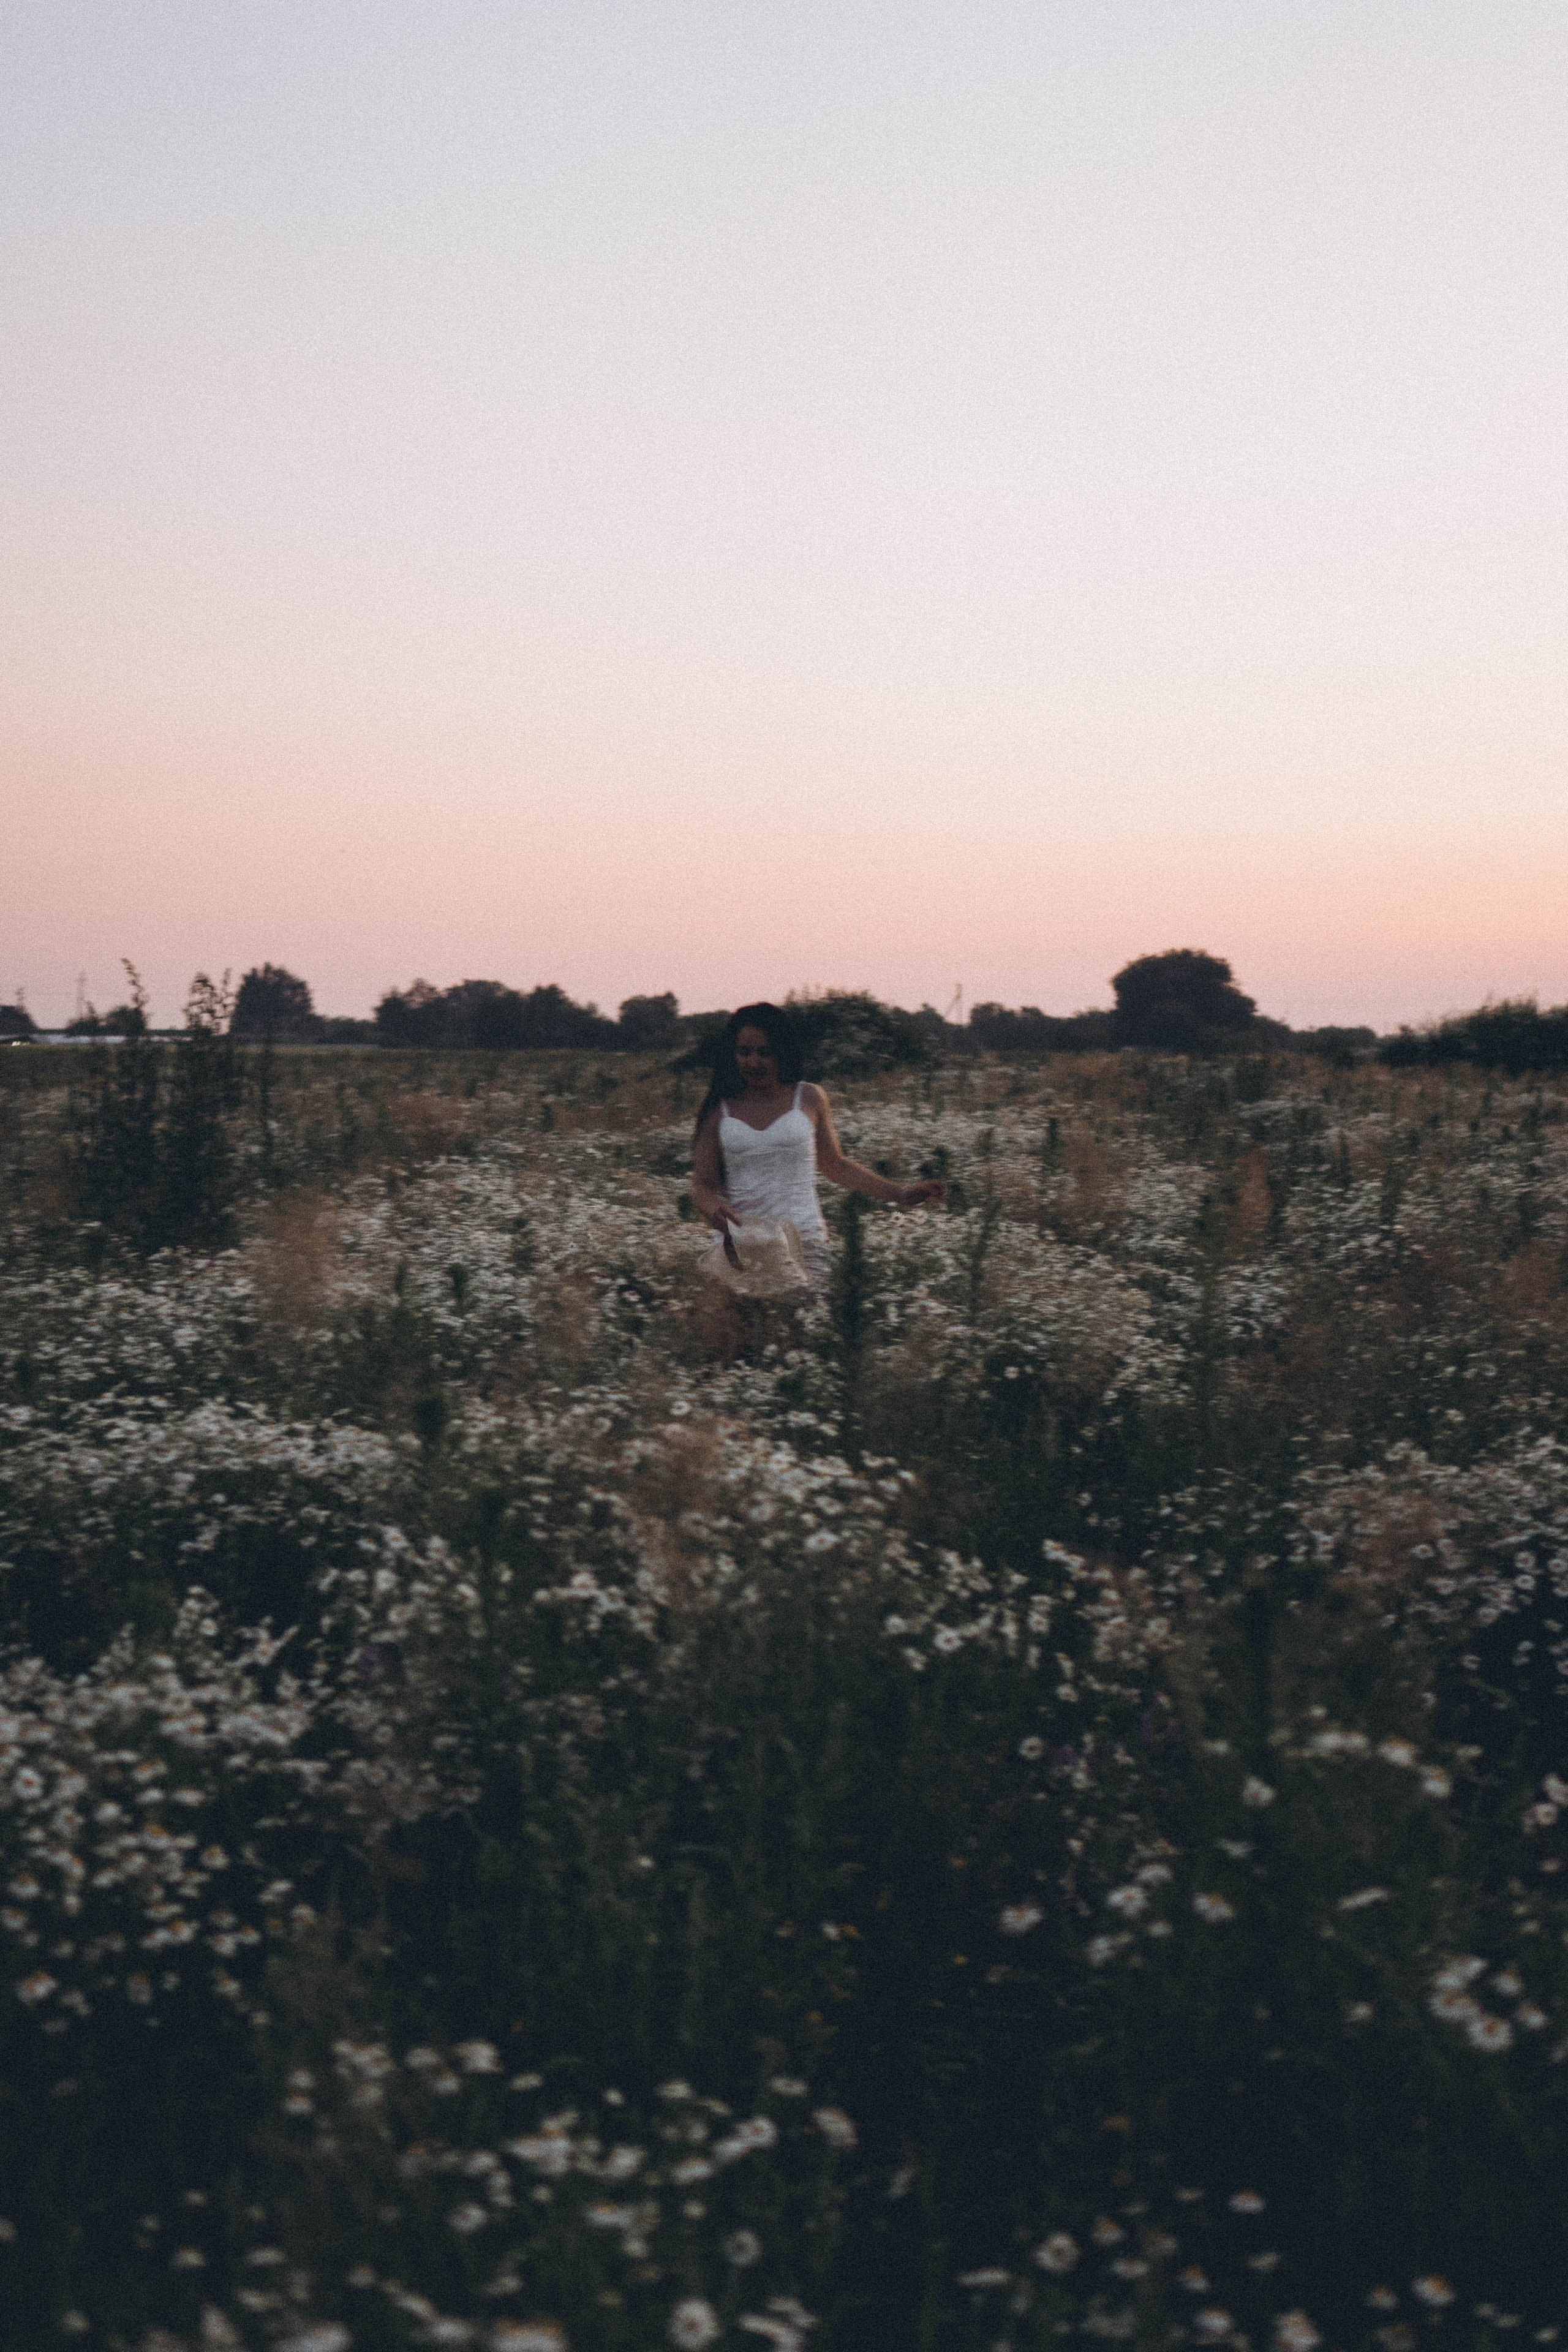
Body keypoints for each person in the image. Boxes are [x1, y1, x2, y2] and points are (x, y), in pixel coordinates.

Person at [691, 1003, 944, 1286]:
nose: (753, 1062)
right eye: (744, 1052)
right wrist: (715, 1210)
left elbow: (836, 1165)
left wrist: (899, 1194)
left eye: (765, 1052)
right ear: (732, 1054)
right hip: (743, 1244)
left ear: (782, 1052)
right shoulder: (719, 1109)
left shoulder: (809, 1098)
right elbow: (703, 1184)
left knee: (808, 1324)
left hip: (805, 1238)